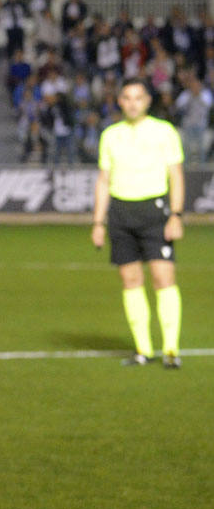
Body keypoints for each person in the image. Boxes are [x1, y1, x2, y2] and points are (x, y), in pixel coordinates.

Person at [91, 77, 185, 368]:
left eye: (138, 97)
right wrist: (98, 222)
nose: (133, 103)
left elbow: (176, 175)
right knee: (131, 280)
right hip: (120, 213)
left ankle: (170, 349)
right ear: (120, 101)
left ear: (147, 101)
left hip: (155, 212)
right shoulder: (110, 135)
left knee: (162, 278)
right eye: (127, 98)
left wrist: (176, 214)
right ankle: (143, 351)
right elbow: (103, 180)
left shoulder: (164, 131)